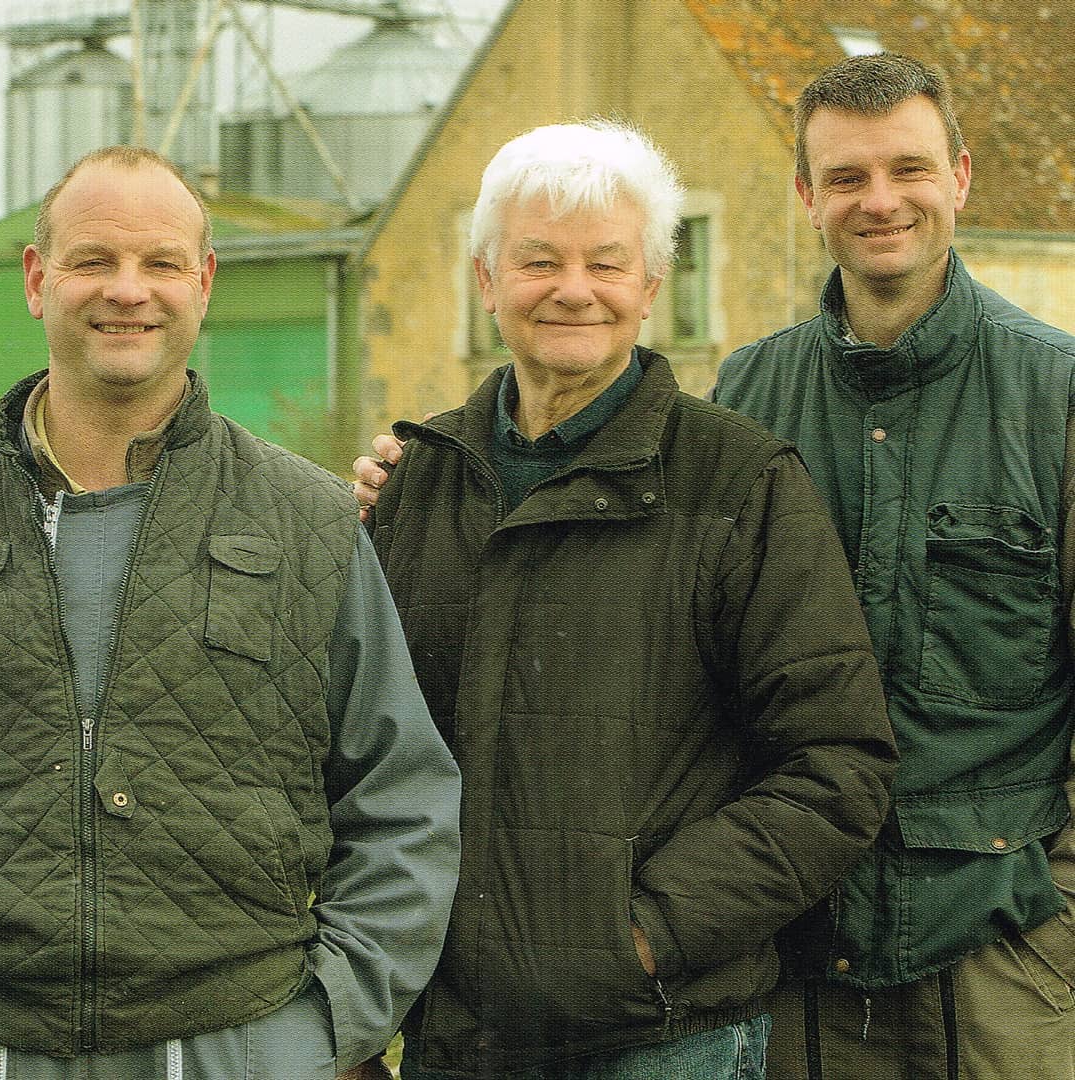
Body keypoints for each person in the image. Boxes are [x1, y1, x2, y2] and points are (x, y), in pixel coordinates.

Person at [356, 119, 898, 1079]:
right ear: (487, 281)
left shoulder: (741, 482)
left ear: (650, 288)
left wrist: (639, 937)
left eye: (607, 263)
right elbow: (356, 759)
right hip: (450, 1035)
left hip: (663, 1036)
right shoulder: (417, 486)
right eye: (538, 261)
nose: (573, 289)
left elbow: (837, 768)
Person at [0, 145, 461, 1080]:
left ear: (203, 284)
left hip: (236, 1042)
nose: (129, 291)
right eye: (94, 261)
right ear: (39, 280)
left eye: (161, 263)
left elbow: (401, 796)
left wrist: (325, 1024)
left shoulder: (307, 519)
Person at [710, 54, 1075, 1079]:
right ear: (805, 197)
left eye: (908, 169)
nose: (881, 202)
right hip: (794, 970)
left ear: (959, 177)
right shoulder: (746, 395)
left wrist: (1061, 935)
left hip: (1005, 968)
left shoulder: (1056, 397)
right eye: (846, 178)